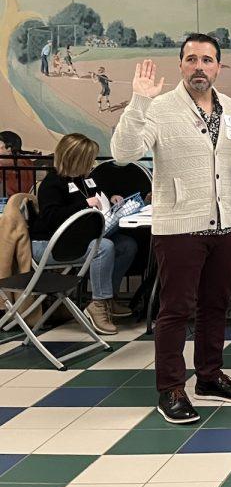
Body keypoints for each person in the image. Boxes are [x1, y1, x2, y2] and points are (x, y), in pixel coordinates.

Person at [110, 35, 231, 424]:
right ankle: (171, 388)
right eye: (191, 59)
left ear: (218, 67)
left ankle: (208, 377)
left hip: (224, 222)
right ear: (180, 65)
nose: (199, 66)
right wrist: (139, 101)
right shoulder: (159, 108)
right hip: (179, 225)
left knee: (216, 306)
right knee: (176, 309)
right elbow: (124, 152)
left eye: (207, 60)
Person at [28, 133, 138, 337]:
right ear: (75, 159)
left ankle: (108, 298)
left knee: (127, 245)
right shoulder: (52, 184)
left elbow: (99, 196)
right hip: (51, 243)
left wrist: (111, 198)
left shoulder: (85, 180)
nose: (92, 163)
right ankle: (98, 303)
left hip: (77, 239)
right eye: (88, 159)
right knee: (104, 247)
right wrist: (83, 205)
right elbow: (52, 217)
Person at [0, 131, 36, 198]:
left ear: (8, 148)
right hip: (27, 198)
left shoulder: (5, 162)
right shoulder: (27, 160)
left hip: (13, 200)